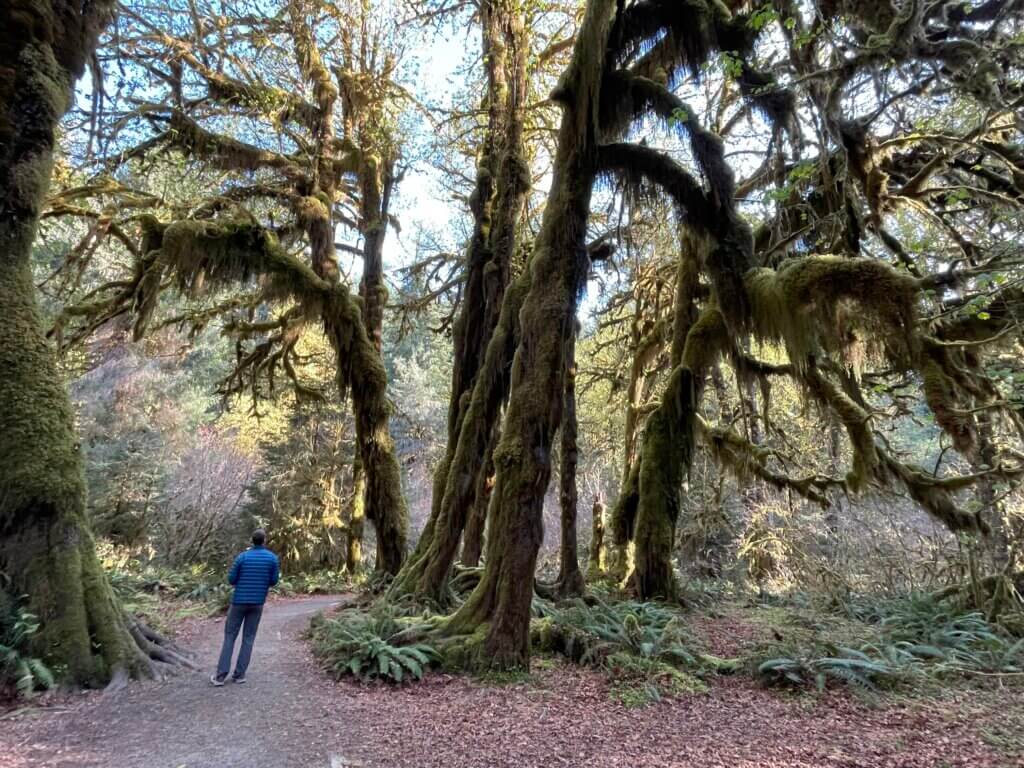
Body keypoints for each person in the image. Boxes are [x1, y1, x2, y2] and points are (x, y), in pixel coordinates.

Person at [211, 528, 280, 686]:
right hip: (257, 603)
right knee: (248, 638)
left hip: (238, 602)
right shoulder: (272, 559)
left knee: (230, 637)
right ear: (264, 540)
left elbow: (231, 579)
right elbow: (274, 580)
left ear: (252, 540)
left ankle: (220, 676)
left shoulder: (242, 557)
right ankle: (239, 675)